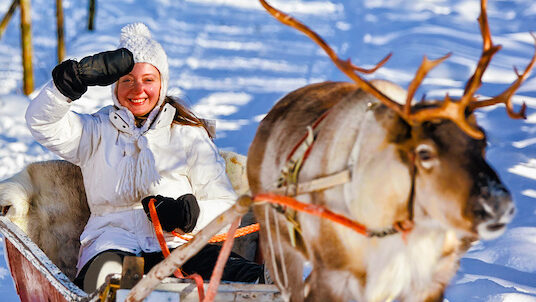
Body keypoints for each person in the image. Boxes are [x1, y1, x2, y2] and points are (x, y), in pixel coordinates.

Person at [25, 23, 262, 292]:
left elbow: (227, 207)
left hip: (180, 246)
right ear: (114, 86)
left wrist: (189, 215)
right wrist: (68, 85)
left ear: (162, 84)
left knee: (247, 280)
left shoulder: (187, 134)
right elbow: (42, 123)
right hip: (112, 246)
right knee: (106, 288)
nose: (138, 90)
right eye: (127, 80)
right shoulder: (96, 131)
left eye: (148, 80)